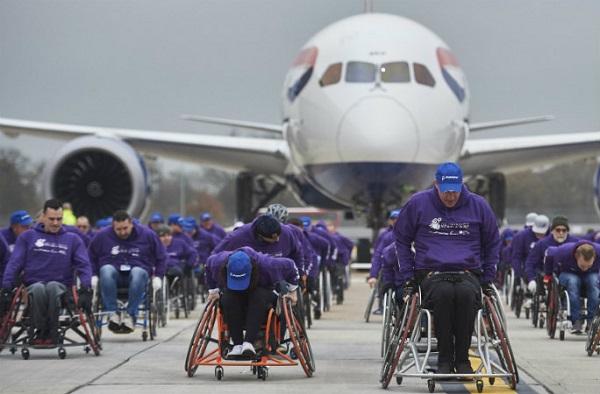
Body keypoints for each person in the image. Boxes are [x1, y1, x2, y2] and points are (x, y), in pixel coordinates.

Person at [395, 162, 500, 375]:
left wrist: (488, 277)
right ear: (436, 184)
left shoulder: (479, 205)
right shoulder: (418, 203)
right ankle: (444, 358)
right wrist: (408, 276)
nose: (450, 197)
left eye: (454, 191)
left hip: (467, 272)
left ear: (462, 185)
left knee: (466, 296)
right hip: (432, 272)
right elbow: (401, 239)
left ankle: (462, 358)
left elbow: (492, 242)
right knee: (443, 295)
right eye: (445, 192)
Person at [0, 199, 92, 345]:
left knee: (52, 287)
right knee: (38, 288)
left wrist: (86, 288)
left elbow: (84, 265)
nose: (56, 223)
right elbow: (14, 263)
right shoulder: (27, 237)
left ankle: (51, 331)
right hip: (33, 286)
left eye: (59, 219)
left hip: (61, 287)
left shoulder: (72, 239)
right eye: (51, 219)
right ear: (43, 216)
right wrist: (6, 288)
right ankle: (41, 330)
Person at [206, 247, 299, 358]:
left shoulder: (268, 265)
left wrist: (293, 291)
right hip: (232, 291)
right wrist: (213, 291)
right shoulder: (217, 263)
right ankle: (237, 344)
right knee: (227, 297)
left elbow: (291, 266)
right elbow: (207, 267)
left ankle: (248, 343)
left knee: (257, 296)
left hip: (262, 290)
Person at [89, 210, 166, 333]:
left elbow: (161, 256)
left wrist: (158, 276)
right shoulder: (102, 236)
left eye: (125, 228)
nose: (122, 232)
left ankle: (131, 315)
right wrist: (93, 274)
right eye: (118, 229)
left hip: (138, 275)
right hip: (113, 276)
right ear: (113, 226)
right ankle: (112, 313)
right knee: (106, 269)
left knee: (138, 272)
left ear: (131, 224)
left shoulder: (147, 235)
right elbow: (90, 256)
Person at [212, 214, 305, 277]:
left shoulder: (287, 232)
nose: (277, 240)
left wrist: (299, 273)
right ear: (260, 236)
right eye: (272, 239)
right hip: (251, 277)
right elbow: (215, 257)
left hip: (280, 275)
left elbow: (297, 252)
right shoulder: (237, 237)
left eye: (278, 236)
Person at [545, 241, 600, 333]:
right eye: (583, 265)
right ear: (576, 256)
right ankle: (576, 320)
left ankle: (592, 321)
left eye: (589, 265)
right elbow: (550, 254)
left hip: (591, 274)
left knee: (594, 283)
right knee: (573, 282)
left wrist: (588, 268)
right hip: (568, 273)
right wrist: (548, 275)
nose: (585, 268)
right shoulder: (563, 252)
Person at [525, 216, 578, 293]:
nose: (561, 233)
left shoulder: (575, 243)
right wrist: (531, 279)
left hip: (569, 274)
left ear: (567, 231)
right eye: (558, 230)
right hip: (547, 275)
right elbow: (530, 263)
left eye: (564, 230)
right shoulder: (541, 244)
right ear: (552, 231)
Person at [367, 209, 400, 314]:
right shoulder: (386, 236)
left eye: (398, 219)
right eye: (393, 219)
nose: (395, 221)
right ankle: (382, 305)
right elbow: (378, 254)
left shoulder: (413, 233)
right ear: (390, 221)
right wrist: (373, 275)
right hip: (389, 266)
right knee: (385, 278)